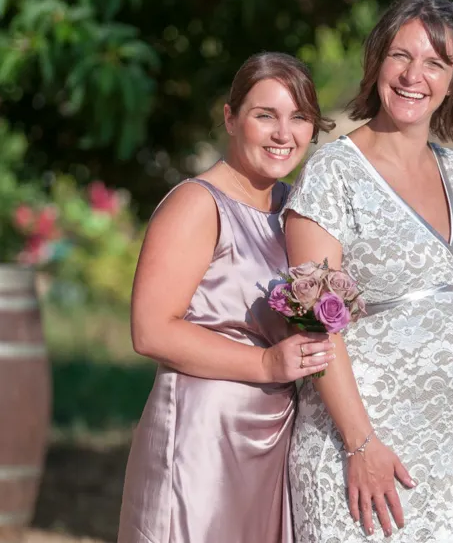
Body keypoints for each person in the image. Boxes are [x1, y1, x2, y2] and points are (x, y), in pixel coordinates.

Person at [281, 0, 453, 542]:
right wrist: (361, 445)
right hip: (363, 454)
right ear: (377, 60)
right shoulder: (333, 172)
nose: (413, 75)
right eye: (400, 56)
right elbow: (312, 324)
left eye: (435, 63)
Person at [118, 52, 334, 543]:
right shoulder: (197, 204)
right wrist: (265, 367)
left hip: (274, 434)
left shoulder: (295, 212)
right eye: (265, 115)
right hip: (203, 436)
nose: (284, 134)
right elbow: (150, 330)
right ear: (230, 118)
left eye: (299, 117)